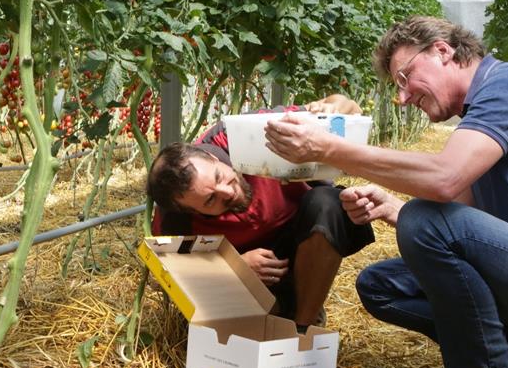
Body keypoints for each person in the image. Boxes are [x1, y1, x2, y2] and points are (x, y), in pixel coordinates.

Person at [264, 16, 508, 368]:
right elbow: (471, 214)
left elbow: (445, 181)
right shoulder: (481, 115)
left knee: (425, 219)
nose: (401, 97)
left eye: (405, 76)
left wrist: (329, 149)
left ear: (442, 50)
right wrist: (394, 208)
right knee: (380, 284)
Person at [147, 97, 375, 333]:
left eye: (218, 177)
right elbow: (170, 277)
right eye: (210, 200)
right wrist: (235, 267)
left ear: (213, 158)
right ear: (191, 210)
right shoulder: (174, 219)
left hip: (301, 239)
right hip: (248, 273)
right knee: (252, 319)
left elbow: (347, 105)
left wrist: (333, 111)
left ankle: (303, 329)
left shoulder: (247, 133)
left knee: (326, 203)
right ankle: (270, 318)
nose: (228, 192)